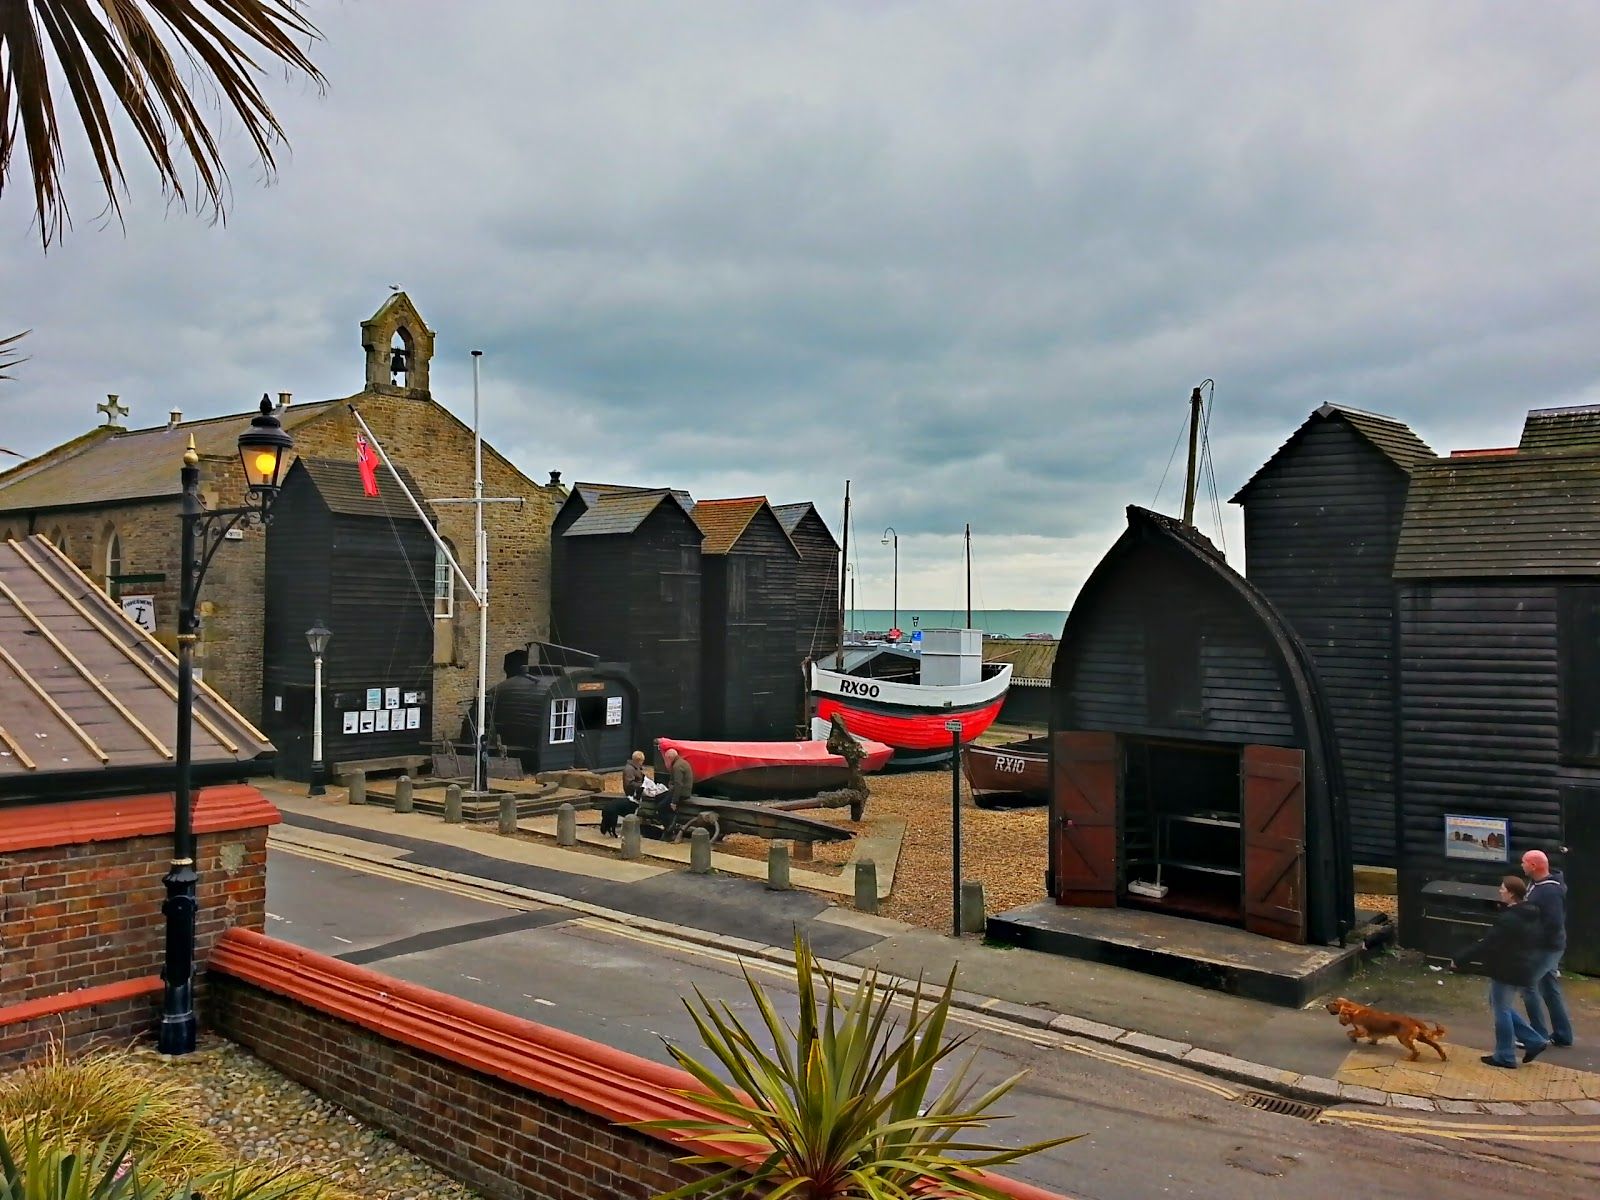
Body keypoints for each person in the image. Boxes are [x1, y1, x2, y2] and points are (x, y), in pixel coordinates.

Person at [1451, 875, 1549, 1068]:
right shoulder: (1531, 914)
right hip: (1522, 966)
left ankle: (1505, 1055)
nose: (1500, 891)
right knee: (1498, 1004)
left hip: (1507, 969)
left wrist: (1460, 959)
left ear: (1512, 894)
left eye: (1503, 888)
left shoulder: (1510, 919)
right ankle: (1534, 1041)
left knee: (1501, 1010)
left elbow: (1488, 943)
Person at [1521, 849, 1575, 1048]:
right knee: (1549, 989)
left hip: (1546, 948)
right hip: (1549, 946)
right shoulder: (1538, 884)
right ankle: (1563, 1034)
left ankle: (1537, 1034)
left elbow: (1553, 923)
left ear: (1533, 866)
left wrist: (1532, 940)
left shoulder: (1549, 891)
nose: (1522, 865)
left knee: (1527, 985)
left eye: (1524, 862)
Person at [600, 751, 646, 837]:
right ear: (638, 760)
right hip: (631, 793)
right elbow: (629, 783)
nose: (642, 763)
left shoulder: (635, 768)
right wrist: (641, 785)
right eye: (642, 761)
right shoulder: (630, 769)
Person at [662, 746, 694, 830]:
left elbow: (678, 784)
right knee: (661, 798)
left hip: (682, 793)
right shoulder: (682, 762)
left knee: (661, 807)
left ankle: (669, 828)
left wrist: (674, 802)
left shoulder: (677, 766)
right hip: (684, 791)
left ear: (670, 757)